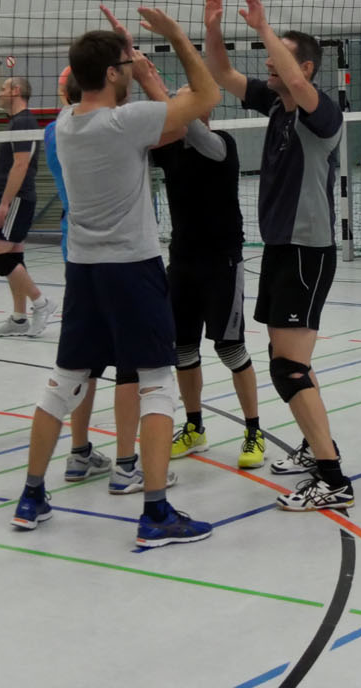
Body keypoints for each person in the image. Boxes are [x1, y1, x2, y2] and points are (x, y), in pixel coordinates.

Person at [11, 9, 219, 548]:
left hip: (84, 271)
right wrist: (175, 37)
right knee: (156, 383)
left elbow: (152, 111)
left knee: (63, 383)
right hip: (133, 269)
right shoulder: (125, 124)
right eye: (124, 65)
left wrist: (126, 55)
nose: (131, 69)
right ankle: (155, 513)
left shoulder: (65, 124)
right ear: (110, 73)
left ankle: (31, 496)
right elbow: (207, 96)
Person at [203, 0, 352, 511]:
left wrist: (263, 26)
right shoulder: (277, 105)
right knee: (287, 359)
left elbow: (292, 78)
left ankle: (333, 479)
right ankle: (317, 448)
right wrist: (214, 27)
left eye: (278, 55)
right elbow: (222, 73)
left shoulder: (322, 112)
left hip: (307, 249)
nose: (267, 61)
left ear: (304, 68)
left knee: (289, 369)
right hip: (281, 247)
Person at [151, 86, 265, 470]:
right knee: (183, 349)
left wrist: (156, 88)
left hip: (222, 262)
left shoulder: (222, 145)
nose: (180, 105)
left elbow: (194, 132)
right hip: (182, 260)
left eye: (188, 99)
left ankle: (253, 431)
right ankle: (194, 427)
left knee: (230, 349)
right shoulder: (169, 150)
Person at [43, 64, 143, 488]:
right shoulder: (114, 128)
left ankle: (79, 452)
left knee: (83, 364)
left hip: (77, 253)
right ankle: (127, 464)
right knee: (131, 365)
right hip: (119, 257)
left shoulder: (57, 130)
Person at [0, 75, 54, 337]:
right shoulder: (16, 122)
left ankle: (41, 303)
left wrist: (5, 203)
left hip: (17, 198)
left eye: (3, 88)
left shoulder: (23, 122)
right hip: (10, 196)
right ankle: (19, 319)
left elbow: (21, 165)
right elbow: (9, 167)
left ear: (16, 91)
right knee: (14, 259)